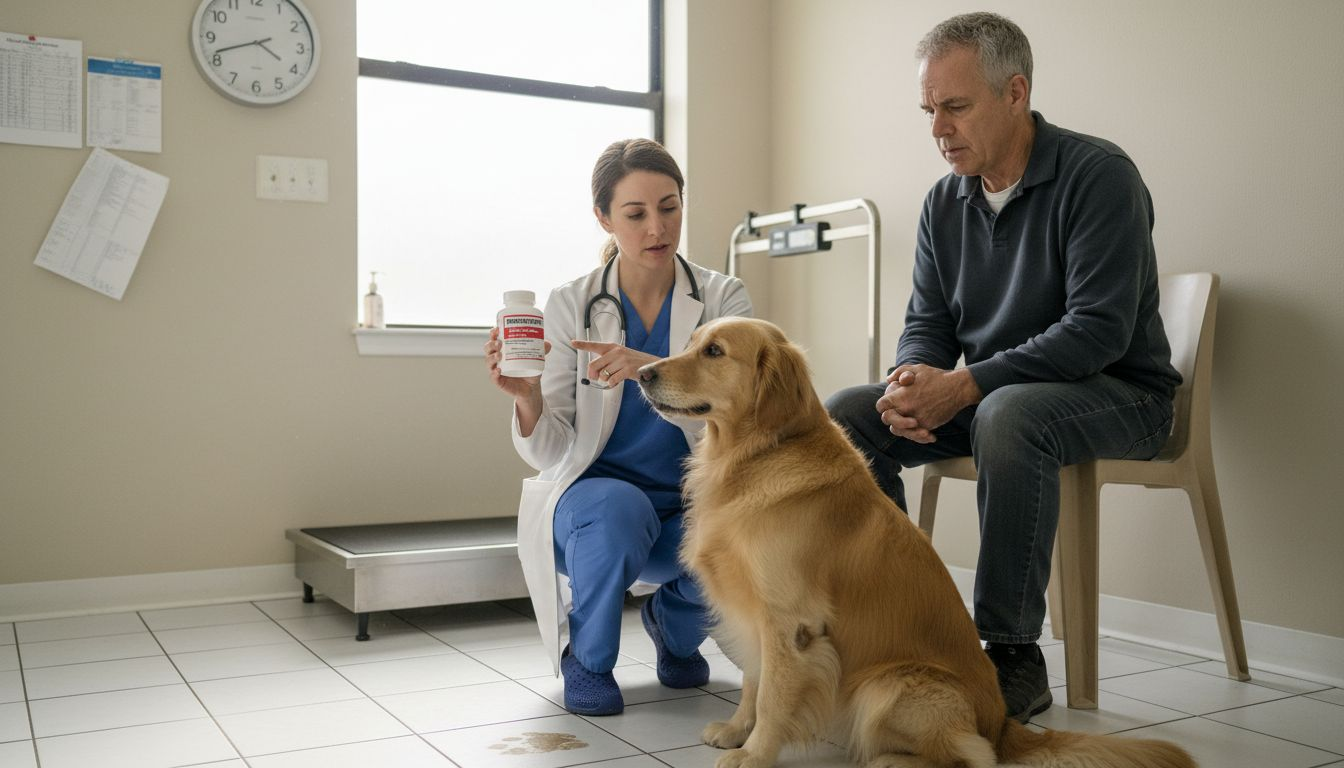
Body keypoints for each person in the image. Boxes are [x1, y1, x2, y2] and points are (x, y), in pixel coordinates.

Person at [825, 12, 1181, 723]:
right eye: (929, 110)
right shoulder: (942, 203)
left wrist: (963, 385)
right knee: (847, 414)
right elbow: (929, 323)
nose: (938, 129)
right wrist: (910, 383)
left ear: (1015, 92)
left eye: (955, 107)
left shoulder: (1099, 176)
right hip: (994, 403)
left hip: (1121, 396)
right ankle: (906, 629)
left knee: (1007, 412)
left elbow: (1098, 333)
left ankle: (1013, 650)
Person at [484, 138, 752, 716]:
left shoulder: (723, 300)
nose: (657, 227)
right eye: (635, 214)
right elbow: (552, 450)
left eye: (669, 206)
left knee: (743, 530)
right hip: (594, 513)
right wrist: (527, 396)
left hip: (690, 504)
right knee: (617, 507)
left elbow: (747, 421)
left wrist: (655, 373)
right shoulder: (569, 304)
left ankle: (672, 630)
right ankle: (589, 659)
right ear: (604, 217)